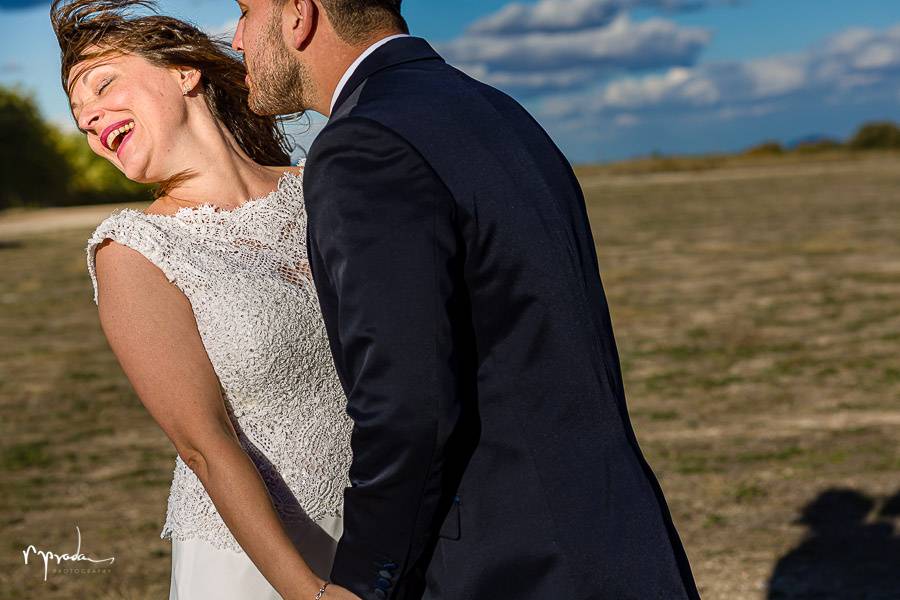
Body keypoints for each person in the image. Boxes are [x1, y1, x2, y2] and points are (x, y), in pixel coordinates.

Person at [233, 1, 701, 599]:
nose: (238, 37)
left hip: (507, 562)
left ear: (299, 14)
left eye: (246, 11)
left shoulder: (362, 146)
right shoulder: (495, 108)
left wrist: (364, 583)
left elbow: (407, 403)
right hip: (613, 531)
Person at [51, 1, 362, 598]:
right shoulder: (134, 249)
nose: (90, 119)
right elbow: (203, 443)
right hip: (259, 562)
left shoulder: (322, 186)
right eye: (79, 115)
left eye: (102, 84)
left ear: (182, 72)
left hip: (389, 521)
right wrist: (306, 590)